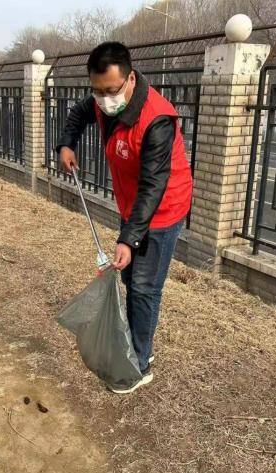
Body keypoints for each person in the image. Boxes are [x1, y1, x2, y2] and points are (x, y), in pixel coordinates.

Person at [57, 42, 193, 394]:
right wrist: (66, 144)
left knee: (144, 286)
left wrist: (129, 239)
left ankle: (139, 364)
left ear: (131, 79)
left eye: (111, 91)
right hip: (133, 206)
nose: (104, 100)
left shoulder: (157, 120)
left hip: (161, 208)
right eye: (97, 91)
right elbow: (78, 113)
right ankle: (136, 342)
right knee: (131, 279)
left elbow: (153, 186)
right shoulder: (105, 99)